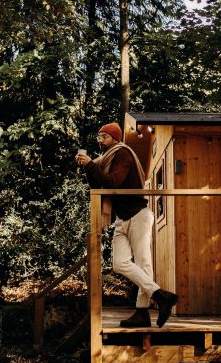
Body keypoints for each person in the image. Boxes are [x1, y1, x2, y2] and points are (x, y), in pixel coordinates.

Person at [76, 121, 178, 328]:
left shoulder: (123, 154)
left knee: (143, 263)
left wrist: (91, 165)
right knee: (119, 263)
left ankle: (142, 313)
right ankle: (160, 295)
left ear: (115, 138)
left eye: (104, 137)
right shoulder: (105, 159)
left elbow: (113, 182)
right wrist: (88, 167)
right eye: (99, 137)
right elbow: (98, 185)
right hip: (122, 218)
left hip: (139, 214)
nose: (100, 141)